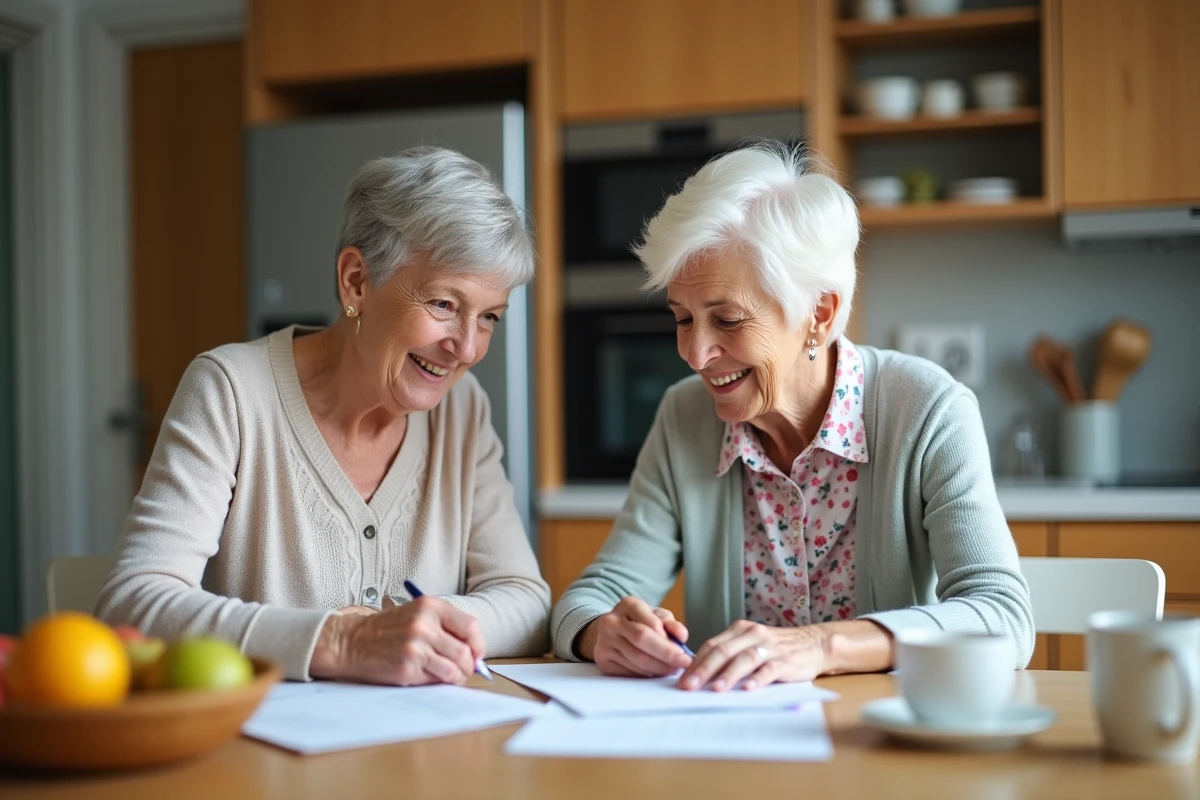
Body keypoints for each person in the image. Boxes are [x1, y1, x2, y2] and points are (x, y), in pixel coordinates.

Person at [552, 142, 1033, 691]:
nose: (694, 353)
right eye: (683, 318)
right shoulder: (684, 417)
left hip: (883, 747)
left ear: (818, 314)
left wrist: (823, 644)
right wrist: (602, 631)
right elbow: (591, 597)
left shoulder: (926, 410)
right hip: (735, 753)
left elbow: (1002, 618)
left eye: (727, 320)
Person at [98, 146, 550, 684]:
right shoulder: (231, 391)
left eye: (490, 317)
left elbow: (527, 602)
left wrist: (401, 629)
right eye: (445, 306)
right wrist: (338, 640)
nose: (468, 348)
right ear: (356, 281)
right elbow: (132, 602)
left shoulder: (463, 410)